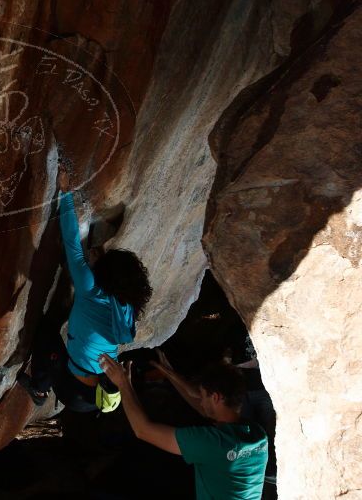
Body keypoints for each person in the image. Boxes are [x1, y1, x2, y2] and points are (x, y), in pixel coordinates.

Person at [18, 163, 152, 413]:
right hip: (98, 393)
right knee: (62, 318)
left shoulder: (90, 289)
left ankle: (39, 388)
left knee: (45, 331)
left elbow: (72, 244)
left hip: (75, 392)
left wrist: (65, 192)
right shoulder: (127, 306)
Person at [99, 350, 269, 499]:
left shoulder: (213, 443)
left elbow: (143, 430)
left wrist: (123, 382)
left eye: (203, 396)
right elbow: (204, 409)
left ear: (216, 397)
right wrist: (171, 374)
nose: (200, 401)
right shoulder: (256, 434)